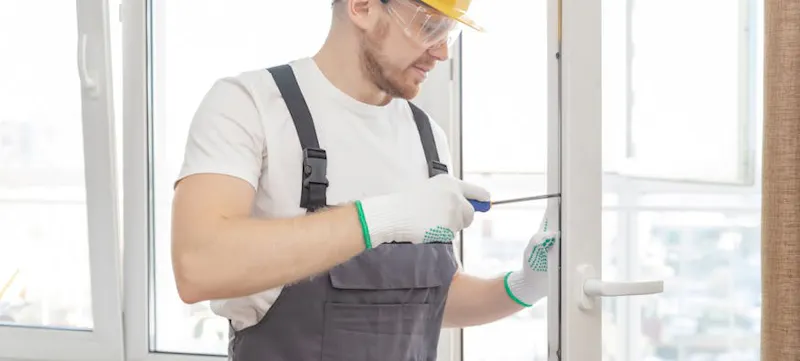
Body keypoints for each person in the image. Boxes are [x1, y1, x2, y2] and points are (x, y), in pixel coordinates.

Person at [170, 0, 559, 359]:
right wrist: (385, 216)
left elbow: (428, 299)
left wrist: (523, 286)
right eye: (429, 27)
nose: (442, 52)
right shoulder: (248, 104)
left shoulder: (428, 138)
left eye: (449, 33)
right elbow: (199, 266)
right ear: (362, 7)